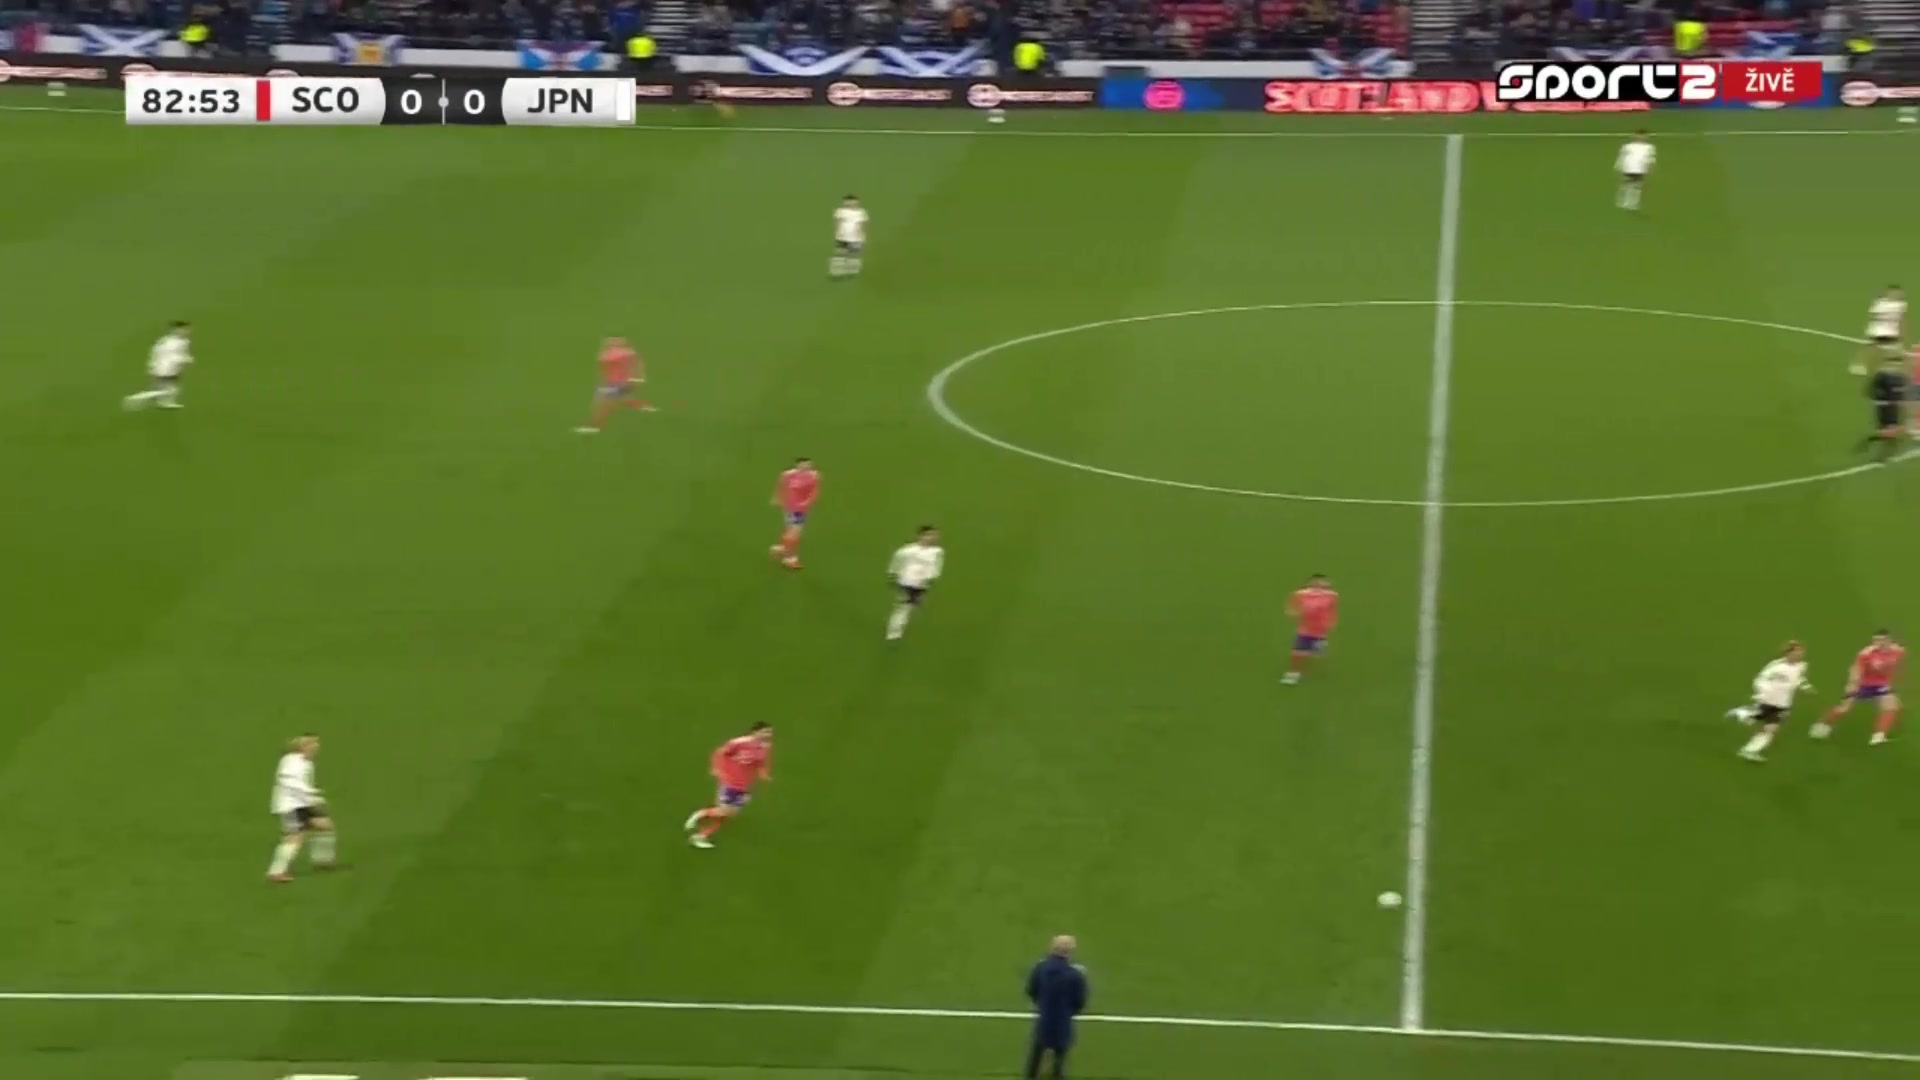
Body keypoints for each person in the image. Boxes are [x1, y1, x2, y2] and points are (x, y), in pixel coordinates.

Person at [684, 722, 774, 849]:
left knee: (731, 814)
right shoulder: (738, 743)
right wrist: (716, 768)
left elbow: (760, 763)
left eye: (769, 732)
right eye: (765, 732)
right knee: (724, 811)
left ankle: (702, 835)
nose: (768, 735)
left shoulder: (765, 747)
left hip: (744, 785)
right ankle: (700, 815)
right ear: (755, 732)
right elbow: (720, 753)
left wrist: (763, 774)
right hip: (730, 782)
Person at [267, 734, 338, 882]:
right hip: (291, 805)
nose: (316, 746)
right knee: (294, 838)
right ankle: (276, 872)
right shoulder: (291, 761)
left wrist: (312, 798)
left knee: (325, 826)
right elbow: (286, 780)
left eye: (316, 743)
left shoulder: (306, 762)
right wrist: (311, 793)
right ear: (303, 746)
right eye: (312, 743)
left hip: (303, 804)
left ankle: (322, 861)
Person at [1812, 631, 1903, 745]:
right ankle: (1822, 725)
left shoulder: (1897, 651)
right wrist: (1852, 684)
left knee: (1892, 706)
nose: (1879, 643)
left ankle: (1878, 737)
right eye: (1876, 640)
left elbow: (1896, 662)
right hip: (1862, 684)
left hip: (1881, 685)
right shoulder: (1866, 654)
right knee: (1844, 708)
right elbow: (1856, 669)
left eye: (1882, 640)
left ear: (1889, 640)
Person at [1728, 641, 1812, 762]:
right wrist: (1763, 693)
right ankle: (1742, 714)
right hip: (1768, 700)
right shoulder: (1776, 666)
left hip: (1784, 703)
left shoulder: (1801, 666)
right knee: (1763, 721)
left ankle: (1748, 749)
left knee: (1771, 728)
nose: (1799, 655)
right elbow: (1760, 679)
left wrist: (1805, 687)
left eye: (1801, 653)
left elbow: (1798, 678)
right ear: (1788, 653)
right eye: (1796, 653)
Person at [1025, 934, 1088, 1080]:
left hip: (1044, 1020)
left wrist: (1041, 1004)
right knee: (1060, 1056)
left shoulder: (1041, 968)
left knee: (1036, 1053)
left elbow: (1031, 990)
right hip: (1063, 1022)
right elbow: (1080, 1001)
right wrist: (1070, 1011)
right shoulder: (1075, 975)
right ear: (1070, 952)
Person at [576, 336, 652, 434]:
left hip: (615, 384)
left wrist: (603, 384)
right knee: (623, 400)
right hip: (622, 383)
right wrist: (638, 377)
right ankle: (646, 407)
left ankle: (593, 427)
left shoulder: (607, 355)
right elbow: (637, 363)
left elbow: (604, 371)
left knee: (602, 404)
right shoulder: (628, 353)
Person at [886, 526, 945, 641]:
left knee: (910, 607)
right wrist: (893, 573)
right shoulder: (909, 550)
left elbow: (936, 566)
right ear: (921, 536)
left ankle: (896, 628)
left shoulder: (937, 551)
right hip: (907, 581)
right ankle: (894, 631)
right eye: (929, 535)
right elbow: (896, 560)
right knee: (904, 606)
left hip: (921, 584)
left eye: (934, 535)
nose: (933, 537)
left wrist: (932, 577)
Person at [1283, 574, 1339, 685]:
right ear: (1311, 583)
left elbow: (1332, 609)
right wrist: (1292, 611)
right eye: (1316, 582)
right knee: (1297, 652)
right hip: (1305, 629)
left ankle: (1319, 645)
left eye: (1322, 582)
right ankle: (1293, 674)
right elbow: (1292, 605)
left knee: (1317, 651)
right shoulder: (1301, 594)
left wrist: (1332, 620)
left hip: (1321, 629)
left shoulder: (1332, 595)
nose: (1319, 585)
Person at [124, 320, 192, 410]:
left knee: (171, 389)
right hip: (167, 369)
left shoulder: (181, 341)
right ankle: (137, 398)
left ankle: (165, 403)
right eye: (184, 329)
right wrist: (184, 359)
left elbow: (159, 351)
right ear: (177, 330)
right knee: (165, 390)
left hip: (171, 368)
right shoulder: (171, 342)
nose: (187, 331)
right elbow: (168, 354)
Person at [770, 458, 820, 569]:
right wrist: (777, 497)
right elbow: (781, 486)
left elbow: (815, 490)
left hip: (801, 508)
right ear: (797, 465)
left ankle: (781, 548)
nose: (806, 467)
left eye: (808, 465)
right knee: (795, 532)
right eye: (803, 465)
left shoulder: (814, 475)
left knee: (791, 529)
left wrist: (810, 502)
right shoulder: (788, 475)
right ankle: (789, 558)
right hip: (794, 508)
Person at [1858, 355, 1907, 462]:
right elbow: (1872, 389)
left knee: (1889, 430)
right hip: (1884, 405)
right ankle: (1885, 449)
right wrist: (1876, 398)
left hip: (1891, 405)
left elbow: (1900, 392)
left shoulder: (1899, 376)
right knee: (1886, 430)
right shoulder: (1883, 375)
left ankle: (1884, 453)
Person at [1853, 285, 1905, 377]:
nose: (1896, 295)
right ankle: (1859, 365)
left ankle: (1885, 369)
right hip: (1879, 330)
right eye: (1894, 293)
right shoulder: (1880, 303)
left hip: (1891, 331)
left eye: (1898, 293)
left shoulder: (1900, 305)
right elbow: (1873, 316)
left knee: (1894, 351)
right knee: (1872, 348)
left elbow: (1900, 319)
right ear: (1888, 293)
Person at [1614, 130, 1655, 211]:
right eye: (1639, 136)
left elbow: (1650, 158)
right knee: (1627, 184)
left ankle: (1633, 203)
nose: (1641, 138)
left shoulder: (1649, 147)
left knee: (1637, 186)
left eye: (1643, 136)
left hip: (1640, 169)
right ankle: (1622, 201)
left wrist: (1650, 165)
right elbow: (1622, 156)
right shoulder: (1628, 146)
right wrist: (1618, 165)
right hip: (1629, 167)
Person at [831, 195, 869, 279]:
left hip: (856, 237)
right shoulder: (840, 211)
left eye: (853, 201)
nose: (851, 203)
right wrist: (837, 233)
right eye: (848, 201)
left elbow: (862, 224)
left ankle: (852, 272)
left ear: (857, 202)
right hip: (842, 237)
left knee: (854, 254)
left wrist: (863, 235)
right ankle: (837, 271)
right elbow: (837, 222)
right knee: (840, 253)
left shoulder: (861, 212)